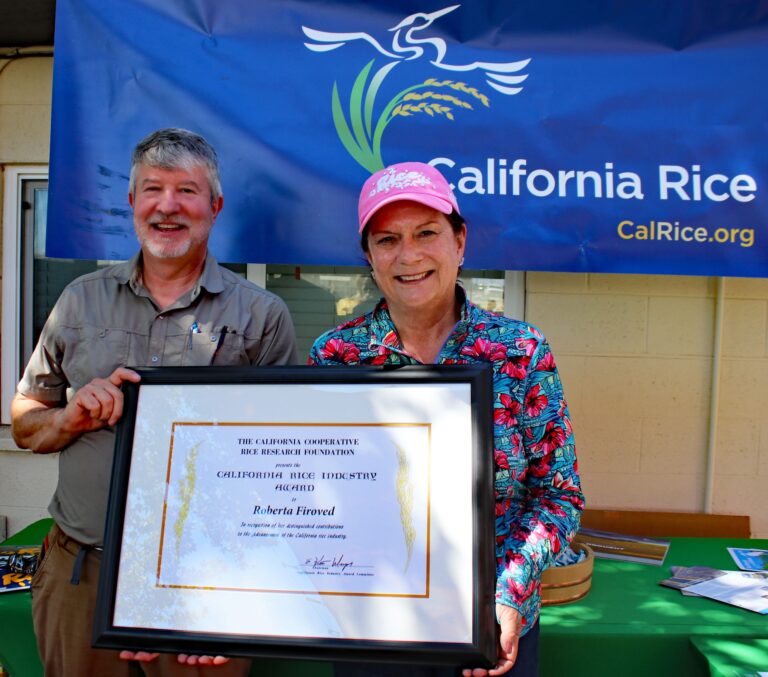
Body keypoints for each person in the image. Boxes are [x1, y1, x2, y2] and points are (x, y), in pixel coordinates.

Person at [11, 128, 298, 676]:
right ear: (132, 203)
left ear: (214, 207)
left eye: (187, 191)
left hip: (210, 578)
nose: (168, 206)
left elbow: (284, 457)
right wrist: (69, 417)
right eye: (152, 189)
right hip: (83, 575)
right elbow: (26, 423)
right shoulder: (78, 300)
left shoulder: (262, 317)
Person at [309, 162, 584, 676]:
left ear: (460, 241)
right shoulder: (337, 356)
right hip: (374, 625)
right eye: (387, 239)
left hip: (489, 625)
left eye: (427, 233)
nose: (408, 255)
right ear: (369, 257)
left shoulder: (520, 351)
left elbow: (559, 496)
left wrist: (511, 592)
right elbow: (317, 494)